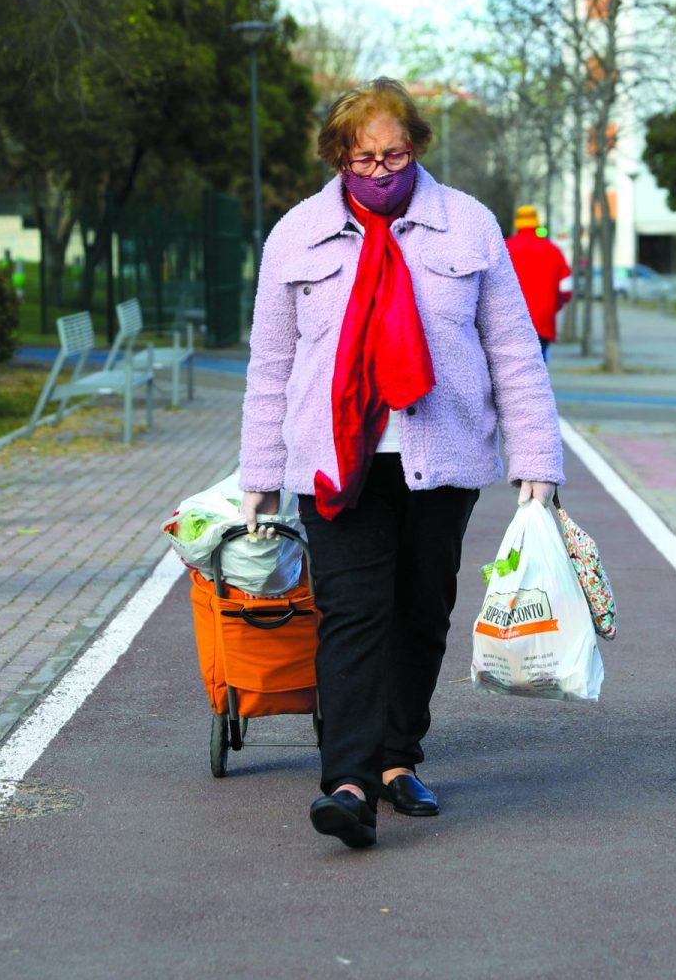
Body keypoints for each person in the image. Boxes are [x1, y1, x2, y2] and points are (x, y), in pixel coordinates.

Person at [238, 77, 564, 851]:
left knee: (420, 614)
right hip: (336, 460)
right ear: (338, 158)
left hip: (442, 457)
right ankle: (346, 782)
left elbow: (514, 352)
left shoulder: (469, 227)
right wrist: (259, 474)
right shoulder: (296, 235)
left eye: (395, 156)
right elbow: (270, 365)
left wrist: (537, 461)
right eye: (363, 159)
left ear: (416, 149)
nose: (381, 173)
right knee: (353, 615)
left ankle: (396, 759)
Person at [503, 204, 571, 359]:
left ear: (517, 223)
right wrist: (555, 304)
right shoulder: (553, 250)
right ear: (536, 222)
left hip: (510, 322)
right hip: (543, 321)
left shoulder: (505, 248)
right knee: (539, 367)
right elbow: (567, 288)